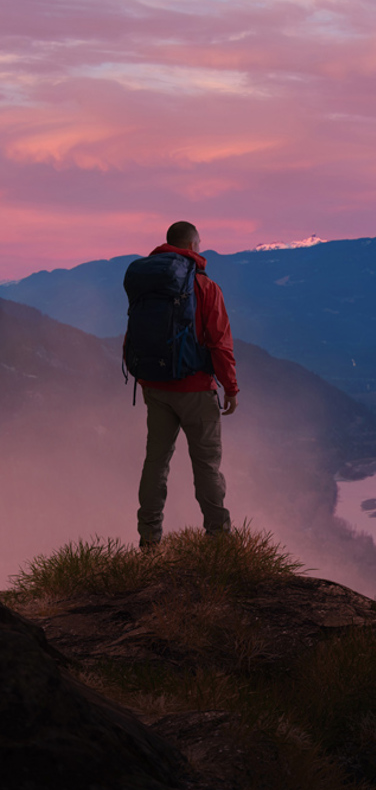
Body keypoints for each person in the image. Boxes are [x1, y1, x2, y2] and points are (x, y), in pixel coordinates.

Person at [129, 221, 239, 547]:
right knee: (206, 466)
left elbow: (134, 332)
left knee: (156, 463)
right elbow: (220, 343)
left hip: (155, 386)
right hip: (195, 389)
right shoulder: (205, 287)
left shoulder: (148, 283)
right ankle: (219, 540)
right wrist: (230, 387)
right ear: (192, 246)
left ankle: (149, 540)